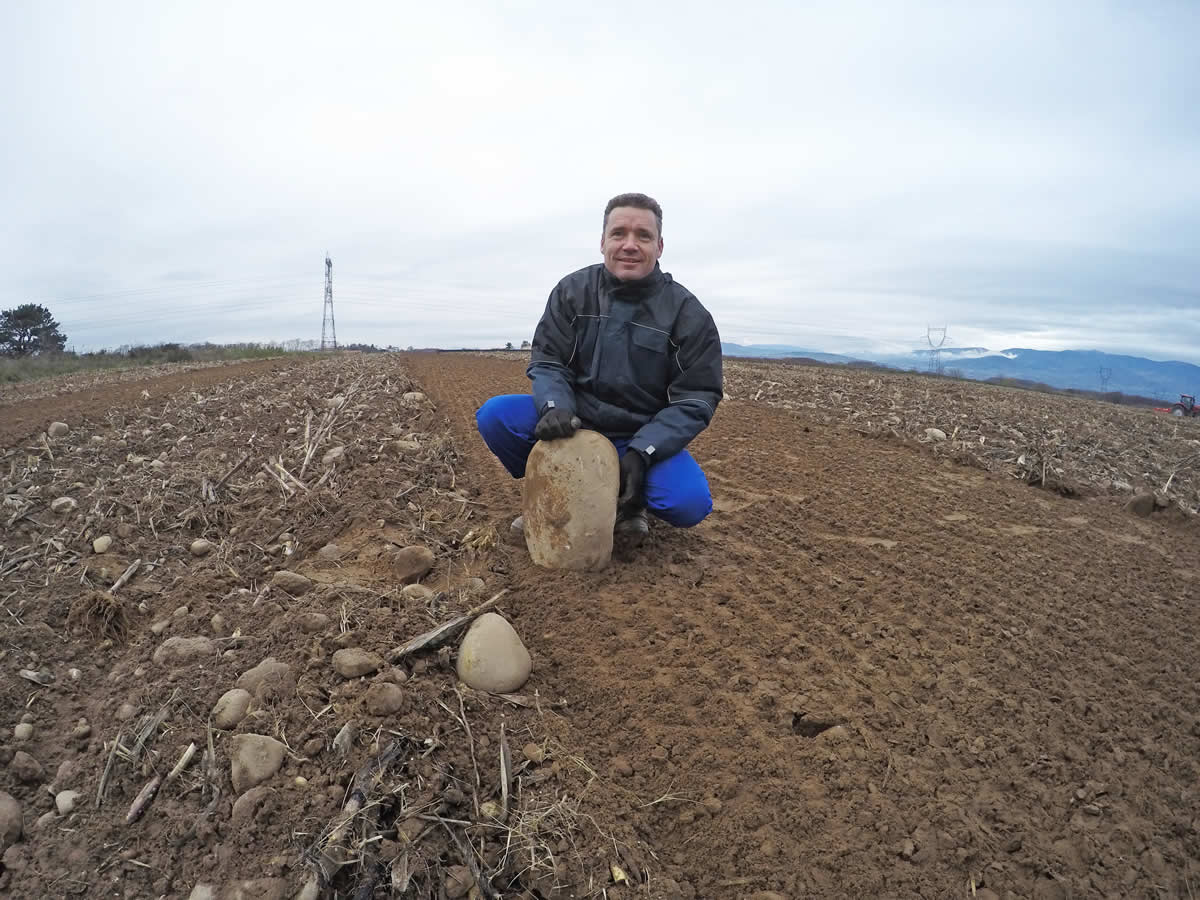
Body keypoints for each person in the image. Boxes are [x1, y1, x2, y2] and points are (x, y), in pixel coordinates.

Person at [475, 192, 723, 544]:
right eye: (619, 233)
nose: (630, 245)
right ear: (603, 241)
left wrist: (645, 451)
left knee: (689, 502)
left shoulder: (688, 314)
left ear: (660, 246)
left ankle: (628, 506)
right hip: (574, 426)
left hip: (636, 437)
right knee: (496, 416)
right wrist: (554, 407)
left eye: (643, 236)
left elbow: (697, 397)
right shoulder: (572, 292)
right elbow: (548, 360)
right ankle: (549, 494)